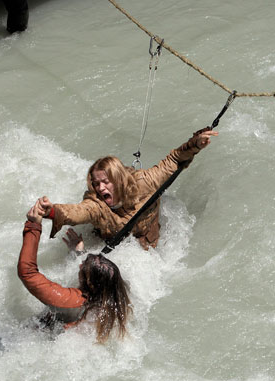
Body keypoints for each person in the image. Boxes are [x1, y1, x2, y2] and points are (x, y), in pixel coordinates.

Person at [37, 128, 218, 250]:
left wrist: (195, 143)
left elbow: (173, 161)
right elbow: (79, 211)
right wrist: (52, 211)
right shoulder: (97, 204)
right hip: (112, 244)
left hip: (148, 239)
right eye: (96, 183)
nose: (100, 188)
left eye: (105, 182)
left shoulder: (145, 182)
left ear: (118, 180)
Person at [18, 200, 132, 343]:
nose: (79, 266)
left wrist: (33, 226)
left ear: (89, 282)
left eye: (82, 266)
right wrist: (79, 252)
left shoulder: (73, 301)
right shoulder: (116, 297)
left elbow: (27, 272)